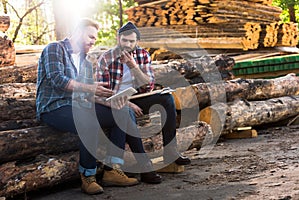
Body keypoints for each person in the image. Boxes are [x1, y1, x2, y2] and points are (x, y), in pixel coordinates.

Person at [36, 18, 146, 195]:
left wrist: (118, 101)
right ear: (78, 32)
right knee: (88, 121)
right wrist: (90, 88)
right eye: (90, 36)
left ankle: (112, 170)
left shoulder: (85, 60)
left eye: (95, 38)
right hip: (53, 108)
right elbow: (57, 80)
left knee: (121, 113)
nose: (93, 41)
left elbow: (88, 94)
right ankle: (88, 177)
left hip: (77, 106)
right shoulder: (55, 48)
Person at [97, 22, 191, 170]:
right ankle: (144, 164)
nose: (128, 44)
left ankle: (171, 152)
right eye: (124, 40)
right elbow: (102, 90)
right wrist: (127, 103)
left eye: (131, 41)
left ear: (137, 42)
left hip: (138, 98)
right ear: (118, 39)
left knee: (167, 99)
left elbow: (148, 85)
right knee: (128, 114)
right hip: (114, 102)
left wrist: (133, 66)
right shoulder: (106, 58)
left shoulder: (142, 54)